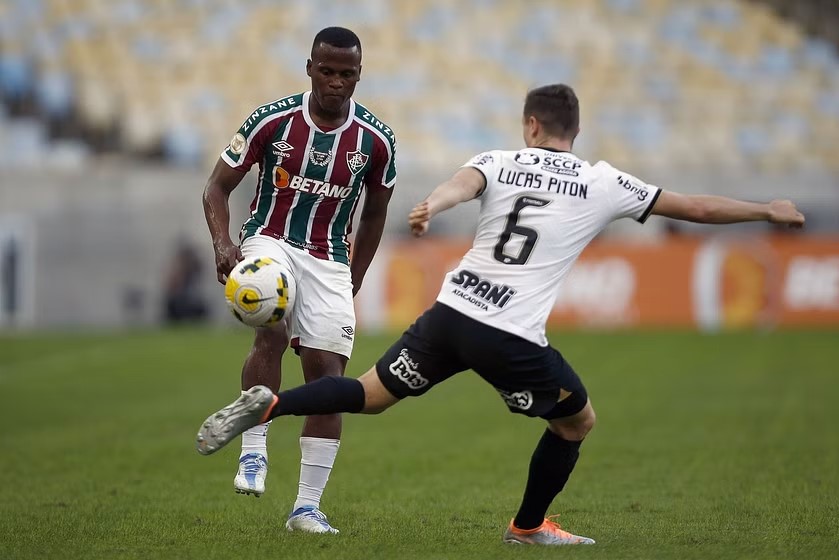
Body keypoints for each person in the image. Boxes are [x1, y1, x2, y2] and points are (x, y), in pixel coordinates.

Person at [196, 84, 804, 545]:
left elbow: (460, 185)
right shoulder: (602, 181)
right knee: (577, 422)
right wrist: (765, 211)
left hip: (450, 315)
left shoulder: (500, 159)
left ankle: (270, 404)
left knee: (368, 394)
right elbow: (693, 207)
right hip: (509, 335)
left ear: (531, 125)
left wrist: (432, 204)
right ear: (575, 129)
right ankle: (529, 526)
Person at [201, 26, 397, 534]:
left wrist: (355, 275)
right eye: (326, 71)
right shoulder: (271, 121)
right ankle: (253, 447)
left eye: (346, 74)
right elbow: (217, 188)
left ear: (359, 75)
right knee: (271, 321)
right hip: (268, 238)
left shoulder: (376, 141)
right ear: (309, 68)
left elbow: (375, 215)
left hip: (329, 257)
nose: (335, 82)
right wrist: (224, 244)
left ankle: (306, 507)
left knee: (330, 380)